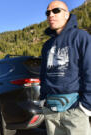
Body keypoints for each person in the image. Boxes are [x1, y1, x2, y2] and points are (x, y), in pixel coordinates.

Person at [40, 0, 91, 135]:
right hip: (51, 111)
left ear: (67, 14)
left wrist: (86, 106)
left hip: (75, 111)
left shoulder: (81, 37)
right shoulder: (47, 46)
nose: (51, 15)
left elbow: (89, 70)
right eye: (48, 12)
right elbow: (43, 74)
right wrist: (43, 99)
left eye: (56, 11)